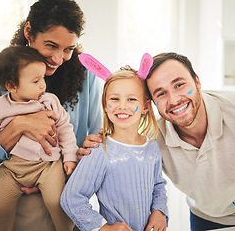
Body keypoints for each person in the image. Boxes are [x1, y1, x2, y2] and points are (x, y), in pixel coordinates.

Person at [82, 52, 235, 231]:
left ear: (197, 81)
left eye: (180, 84)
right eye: (160, 93)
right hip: (204, 219)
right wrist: (98, 144)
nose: (174, 99)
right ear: (151, 103)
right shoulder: (152, 139)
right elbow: (131, 161)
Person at [0, 0, 102, 230]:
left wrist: (60, 173)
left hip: (69, 196)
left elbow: (95, 148)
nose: (58, 58)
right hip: (21, 198)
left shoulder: (87, 78)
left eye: (68, 49)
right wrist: (19, 125)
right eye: (51, 45)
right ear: (29, 32)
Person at [0, 46, 77, 231]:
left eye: (43, 78)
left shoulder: (49, 101)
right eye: (35, 81)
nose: (43, 85)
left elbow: (65, 127)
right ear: (11, 85)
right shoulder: (0, 106)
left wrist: (71, 156)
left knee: (57, 202)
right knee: (0, 207)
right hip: (13, 169)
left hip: (47, 166)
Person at [60, 53, 168, 231]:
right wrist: (103, 228)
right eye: (114, 99)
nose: (122, 106)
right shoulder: (99, 151)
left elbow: (158, 185)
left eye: (131, 99)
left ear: (145, 106)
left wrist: (160, 211)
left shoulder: (152, 148)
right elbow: (72, 198)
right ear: (104, 104)